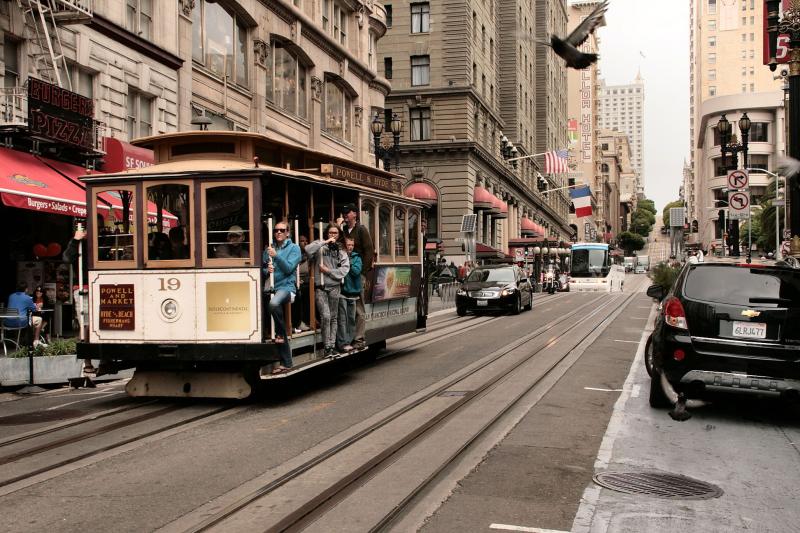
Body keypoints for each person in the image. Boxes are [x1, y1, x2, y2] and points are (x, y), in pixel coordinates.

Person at [262, 220, 302, 374]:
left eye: (281, 230)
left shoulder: (294, 248)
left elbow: (289, 268)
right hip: (270, 286)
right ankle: (286, 359)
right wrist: (267, 269)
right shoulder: (268, 249)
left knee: (273, 304)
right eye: (276, 230)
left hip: (286, 287)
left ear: (288, 232)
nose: (278, 232)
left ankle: (280, 332)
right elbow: (263, 270)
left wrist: (276, 257)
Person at [306, 224, 350, 356]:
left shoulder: (341, 250)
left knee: (334, 317)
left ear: (339, 234)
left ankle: (331, 346)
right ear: (327, 234)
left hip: (334, 287)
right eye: (330, 232)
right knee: (325, 316)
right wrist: (324, 242)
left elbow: (344, 269)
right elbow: (308, 250)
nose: (333, 235)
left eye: (335, 233)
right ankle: (327, 346)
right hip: (321, 287)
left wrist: (328, 271)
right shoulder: (320, 245)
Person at [340, 204, 374, 350]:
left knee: (359, 307)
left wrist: (363, 273)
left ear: (355, 214)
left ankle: (359, 339)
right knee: (346, 307)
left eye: (348, 212)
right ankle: (347, 338)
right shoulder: (343, 230)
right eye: (344, 213)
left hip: (356, 273)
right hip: (344, 274)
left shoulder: (361, 229)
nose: (345, 215)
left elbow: (369, 251)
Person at [336, 237, 362, 352]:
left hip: (353, 293)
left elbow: (356, 271)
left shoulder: (357, 257)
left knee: (351, 319)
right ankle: (342, 342)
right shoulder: (339, 256)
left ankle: (349, 341)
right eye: (348, 245)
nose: (350, 247)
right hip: (342, 292)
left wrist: (347, 261)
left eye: (352, 245)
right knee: (342, 319)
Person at [5, 282, 46, 348]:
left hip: (7, 322)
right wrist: (36, 306)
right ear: (26, 289)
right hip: (20, 322)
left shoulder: (11, 296)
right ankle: (36, 341)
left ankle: (21, 340)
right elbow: (34, 309)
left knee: (22, 318)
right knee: (39, 319)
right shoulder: (27, 298)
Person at [291, 235, 311, 333]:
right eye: (302, 241)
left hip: (307, 281)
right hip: (296, 280)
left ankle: (309, 319)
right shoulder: (294, 254)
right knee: (299, 293)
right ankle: (298, 322)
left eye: (306, 241)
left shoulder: (308, 254)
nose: (305, 243)